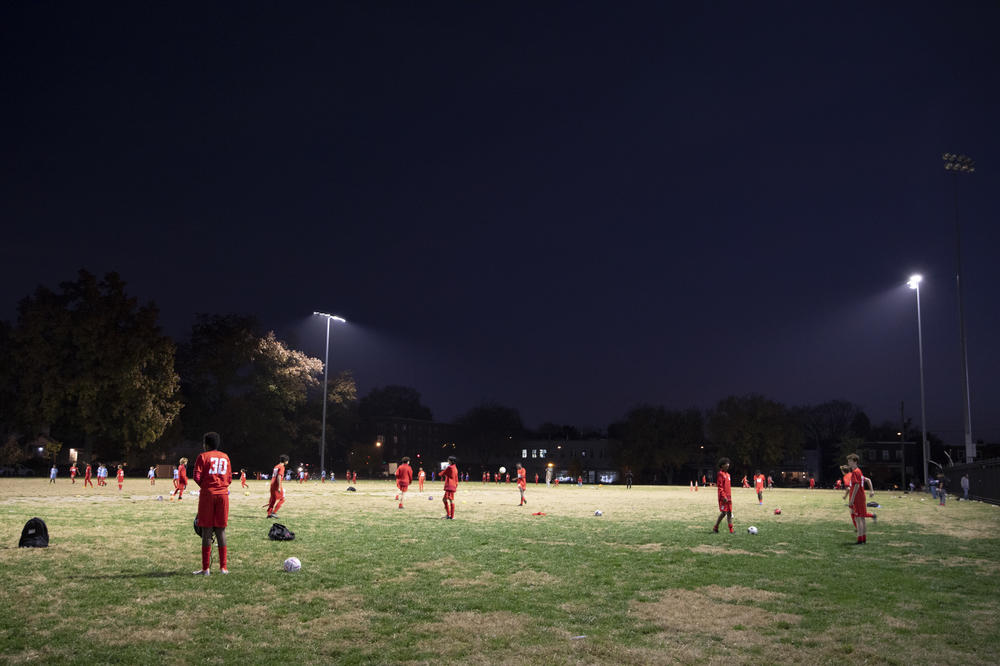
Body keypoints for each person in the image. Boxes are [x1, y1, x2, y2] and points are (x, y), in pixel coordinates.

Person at [192, 431, 233, 575]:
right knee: (221, 530)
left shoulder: (203, 456)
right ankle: (223, 568)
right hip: (223, 495)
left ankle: (206, 569)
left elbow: (196, 476)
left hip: (208, 495)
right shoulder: (225, 457)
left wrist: (206, 487)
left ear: (206, 444)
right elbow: (229, 478)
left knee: (207, 530)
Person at [847, 453, 876, 545]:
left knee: (858, 518)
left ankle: (860, 539)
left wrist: (852, 499)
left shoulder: (856, 472)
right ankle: (863, 538)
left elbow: (856, 485)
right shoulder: (859, 471)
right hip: (860, 497)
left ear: (855, 461)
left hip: (857, 498)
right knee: (861, 518)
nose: (848, 463)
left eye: (850, 461)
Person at [712, 457, 733, 534]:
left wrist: (729, 496)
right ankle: (715, 527)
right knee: (724, 513)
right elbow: (720, 487)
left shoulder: (728, 475)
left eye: (728, 464)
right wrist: (723, 496)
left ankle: (731, 530)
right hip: (723, 498)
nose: (728, 465)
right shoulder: (720, 474)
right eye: (726, 464)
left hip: (729, 497)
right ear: (722, 465)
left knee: (730, 513)